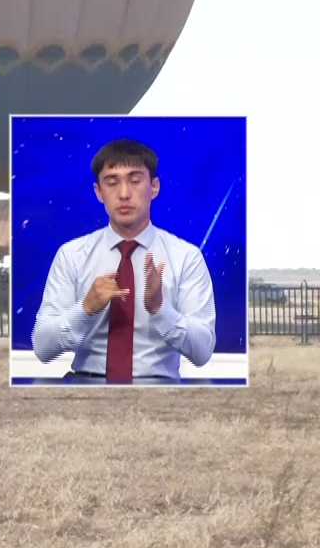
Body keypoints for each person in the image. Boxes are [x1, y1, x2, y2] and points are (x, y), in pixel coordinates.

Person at [30, 138, 217, 384]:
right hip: (87, 385)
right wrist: (86, 308)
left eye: (135, 181)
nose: (124, 194)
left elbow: (202, 352)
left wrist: (160, 309)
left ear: (154, 187)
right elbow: (43, 347)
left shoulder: (186, 257)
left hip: (159, 387)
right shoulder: (71, 255)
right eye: (112, 183)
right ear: (99, 192)